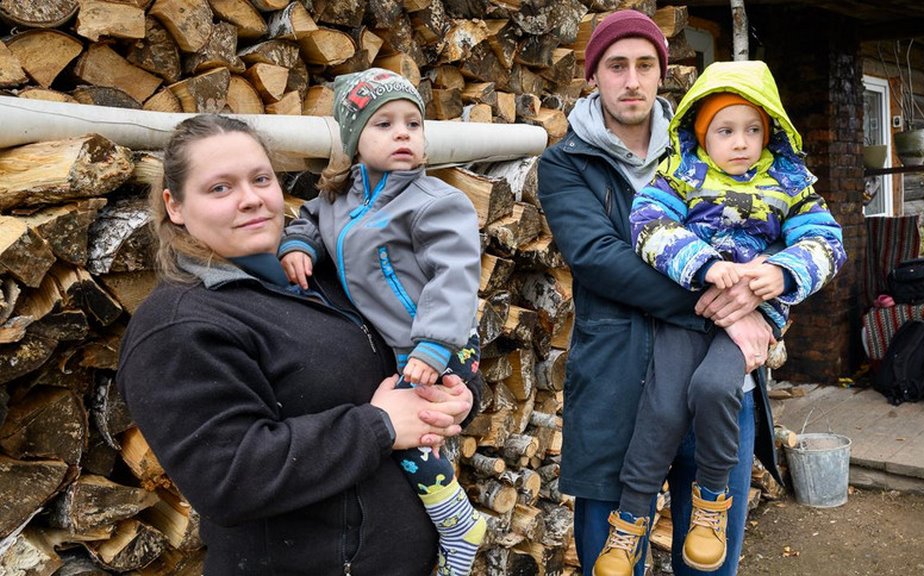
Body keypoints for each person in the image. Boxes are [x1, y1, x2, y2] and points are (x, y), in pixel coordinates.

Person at [116, 114, 479, 576]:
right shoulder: (179, 326)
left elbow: (416, 341)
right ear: (176, 206)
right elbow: (228, 478)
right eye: (220, 188)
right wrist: (379, 426)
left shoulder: (323, 274)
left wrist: (453, 398)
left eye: (260, 179)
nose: (251, 199)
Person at [536, 9, 783, 576]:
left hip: (717, 389)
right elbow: (600, 260)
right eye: (616, 65)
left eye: (645, 65)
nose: (632, 80)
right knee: (612, 561)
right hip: (616, 385)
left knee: (709, 560)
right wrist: (729, 312)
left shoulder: (714, 144)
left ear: (662, 72)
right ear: (592, 74)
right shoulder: (566, 163)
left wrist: (772, 297)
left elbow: (783, 235)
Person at [598, 60, 847, 573]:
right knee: (663, 407)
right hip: (689, 309)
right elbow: (647, 223)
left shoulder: (789, 182)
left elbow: (826, 239)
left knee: (715, 388)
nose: (740, 143)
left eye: (752, 130)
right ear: (701, 133)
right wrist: (705, 265)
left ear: (769, 131)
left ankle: (712, 503)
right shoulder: (681, 175)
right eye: (726, 130)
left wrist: (783, 271)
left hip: (754, 312)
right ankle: (630, 520)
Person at [278, 68, 486, 576]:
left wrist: (433, 344)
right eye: (384, 124)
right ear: (353, 140)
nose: (402, 134)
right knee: (408, 429)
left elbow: (455, 277)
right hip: (400, 345)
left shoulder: (436, 202)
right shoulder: (339, 198)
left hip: (439, 341)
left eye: (413, 124)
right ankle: (450, 519)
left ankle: (457, 520)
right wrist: (299, 243)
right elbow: (311, 217)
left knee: (411, 432)